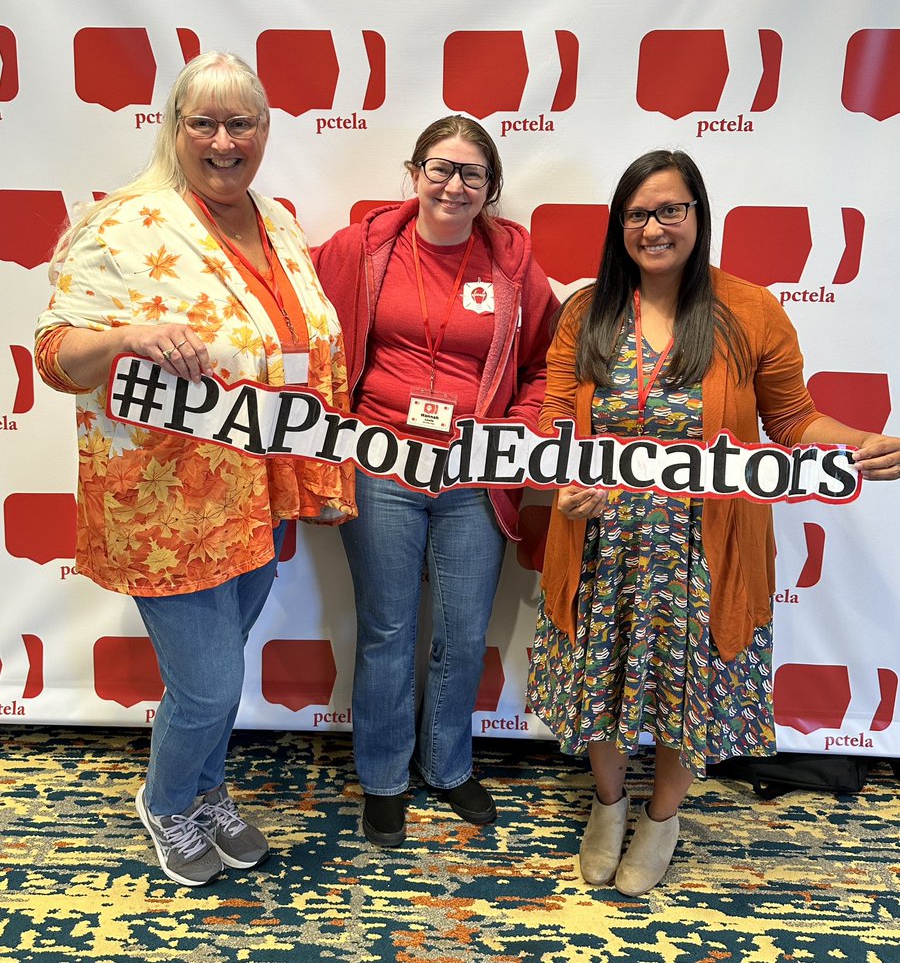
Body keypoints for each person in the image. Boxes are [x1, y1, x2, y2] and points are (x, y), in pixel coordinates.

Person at [527, 148, 900, 897]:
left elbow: (792, 417)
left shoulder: (750, 309)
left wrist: (856, 444)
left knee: (687, 694)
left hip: (707, 551)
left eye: (672, 209)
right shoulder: (587, 308)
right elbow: (556, 413)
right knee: (596, 684)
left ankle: (662, 820)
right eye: (638, 213)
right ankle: (608, 807)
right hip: (603, 544)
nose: (655, 226)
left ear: (698, 215)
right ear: (619, 224)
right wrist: (566, 478)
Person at [34, 51, 355, 887]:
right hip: (164, 501)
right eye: (202, 122)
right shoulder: (124, 224)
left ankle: (209, 790)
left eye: (239, 122)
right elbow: (55, 356)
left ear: (264, 130)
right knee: (209, 684)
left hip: (257, 491)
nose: (222, 140)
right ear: (174, 129)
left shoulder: (276, 221)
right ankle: (168, 800)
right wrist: (125, 339)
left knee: (225, 662)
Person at [314, 115, 558, 847]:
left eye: (472, 174)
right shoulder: (360, 252)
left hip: (474, 471)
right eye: (440, 168)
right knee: (387, 627)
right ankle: (385, 775)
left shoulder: (515, 269)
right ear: (415, 173)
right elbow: (311, 333)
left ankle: (447, 766)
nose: (454, 185)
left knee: (461, 627)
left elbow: (548, 364)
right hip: (380, 460)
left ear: (491, 188)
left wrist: (519, 431)